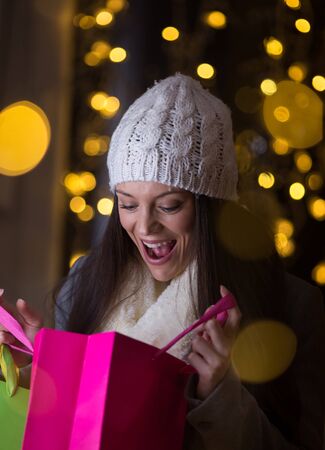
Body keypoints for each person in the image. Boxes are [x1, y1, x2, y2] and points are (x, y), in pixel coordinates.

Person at [0, 74, 324, 449]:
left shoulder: (293, 307)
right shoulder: (85, 283)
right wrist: (42, 363)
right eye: (128, 204)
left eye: (169, 205)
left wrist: (220, 392)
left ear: (212, 208)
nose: (145, 226)